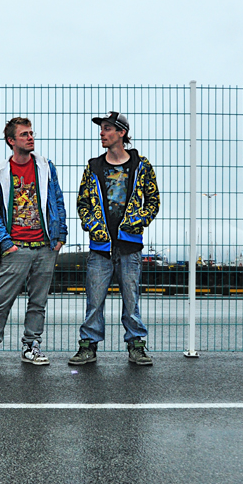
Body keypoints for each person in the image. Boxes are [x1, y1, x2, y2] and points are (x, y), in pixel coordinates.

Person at [0, 117, 67, 366]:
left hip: (45, 246)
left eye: (31, 133)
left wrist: (60, 237)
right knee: (2, 301)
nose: (30, 137)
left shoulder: (46, 167)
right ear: (11, 141)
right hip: (16, 247)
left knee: (38, 302)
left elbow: (57, 201)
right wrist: (6, 244)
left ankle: (31, 346)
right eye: (24, 134)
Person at [71, 111, 160, 366]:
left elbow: (153, 201)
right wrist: (92, 226)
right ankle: (88, 346)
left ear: (122, 133)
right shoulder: (93, 167)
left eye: (108, 128)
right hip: (100, 247)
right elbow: (83, 202)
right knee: (94, 301)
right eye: (101, 129)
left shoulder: (141, 166)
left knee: (131, 300)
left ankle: (136, 345)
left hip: (130, 246)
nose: (102, 133)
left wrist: (137, 222)